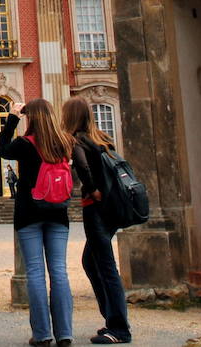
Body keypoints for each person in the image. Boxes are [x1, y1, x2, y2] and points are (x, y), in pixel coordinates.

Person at [0, 98, 83, 347]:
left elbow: (2, 149)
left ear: (31, 118)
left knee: (35, 272)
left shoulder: (25, 144)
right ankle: (65, 334)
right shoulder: (65, 142)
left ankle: (43, 335)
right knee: (59, 272)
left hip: (29, 213)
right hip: (58, 213)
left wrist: (13, 116)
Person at [63, 97, 132, 344]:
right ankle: (112, 319)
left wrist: (91, 188)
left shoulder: (77, 140)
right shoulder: (101, 138)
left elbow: (81, 165)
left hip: (97, 209)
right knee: (90, 262)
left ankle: (119, 328)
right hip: (112, 208)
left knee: (105, 266)